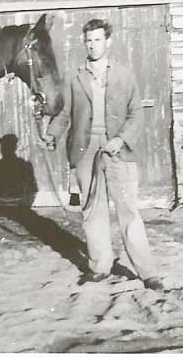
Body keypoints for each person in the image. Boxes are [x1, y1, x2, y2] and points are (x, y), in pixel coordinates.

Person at [42, 18, 164, 290]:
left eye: (98, 39)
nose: (93, 45)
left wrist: (121, 139)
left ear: (108, 41)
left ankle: (147, 272)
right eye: (88, 40)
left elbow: (136, 114)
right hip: (86, 151)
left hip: (118, 150)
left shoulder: (124, 73)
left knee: (128, 212)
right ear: (83, 43)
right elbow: (64, 114)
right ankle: (99, 267)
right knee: (92, 211)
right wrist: (52, 133)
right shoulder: (74, 76)